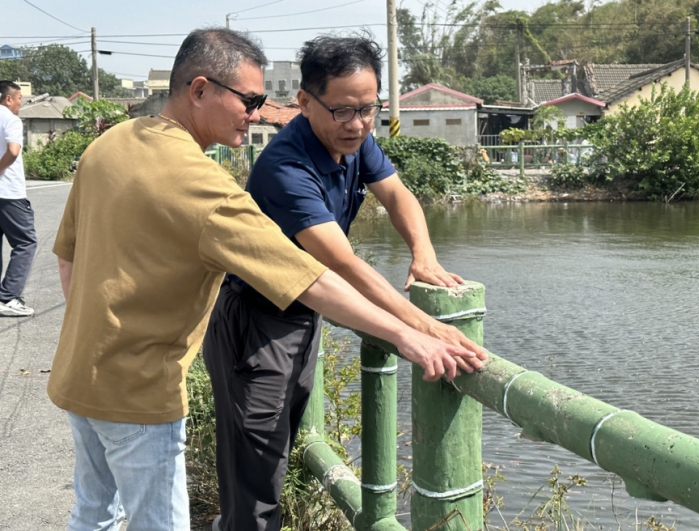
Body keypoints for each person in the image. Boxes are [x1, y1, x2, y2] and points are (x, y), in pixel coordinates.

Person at [48, 28, 485, 531]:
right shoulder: (206, 184)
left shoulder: (111, 142)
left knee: (95, 515)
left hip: (81, 373)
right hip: (145, 389)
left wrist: (97, 338)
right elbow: (312, 276)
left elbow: (68, 258)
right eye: (250, 100)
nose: (257, 114)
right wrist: (411, 333)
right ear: (199, 90)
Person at [204, 34, 485, 531]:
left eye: (368, 109)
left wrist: (423, 256)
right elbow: (343, 265)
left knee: (279, 456)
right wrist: (422, 327)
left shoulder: (354, 139)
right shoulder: (286, 168)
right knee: (254, 484)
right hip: (259, 325)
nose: (357, 124)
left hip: (304, 312)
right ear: (305, 102)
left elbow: (399, 196)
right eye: (343, 111)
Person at [0, 80, 37, 317]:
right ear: (8, 98)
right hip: (9, 193)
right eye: (20, 98)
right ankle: (7, 297)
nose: (20, 103)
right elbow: (13, 150)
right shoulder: (10, 119)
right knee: (26, 242)